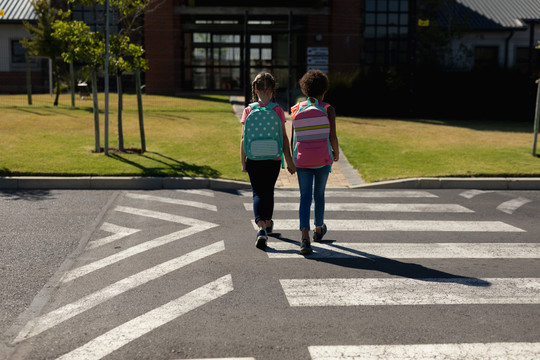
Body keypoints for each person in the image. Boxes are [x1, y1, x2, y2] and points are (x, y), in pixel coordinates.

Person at [241, 72, 296, 250]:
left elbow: (243, 139)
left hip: (254, 157)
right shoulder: (278, 110)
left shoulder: (249, 110)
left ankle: (261, 228)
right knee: (268, 191)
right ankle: (268, 222)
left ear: (255, 89)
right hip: (273, 158)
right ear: (273, 90)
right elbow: (284, 138)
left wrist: (243, 162)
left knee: (257, 192)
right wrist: (289, 161)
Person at [290, 70, 339, 255]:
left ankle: (304, 237)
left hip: (302, 160)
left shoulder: (296, 109)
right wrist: (335, 152)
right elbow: (332, 136)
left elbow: (294, 137)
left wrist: (292, 160)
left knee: (305, 196)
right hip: (322, 160)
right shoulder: (328, 109)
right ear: (324, 90)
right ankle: (319, 229)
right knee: (319, 194)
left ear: (305, 89)